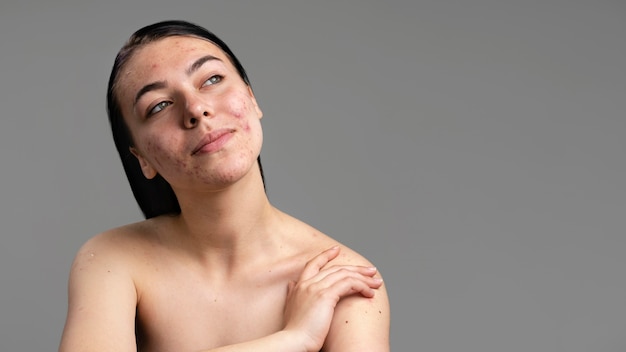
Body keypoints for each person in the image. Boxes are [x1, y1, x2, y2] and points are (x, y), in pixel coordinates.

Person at [59, 20, 390, 352]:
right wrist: (293, 340)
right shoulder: (113, 259)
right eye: (159, 105)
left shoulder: (342, 280)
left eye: (212, 79)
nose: (196, 109)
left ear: (252, 98)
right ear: (141, 157)